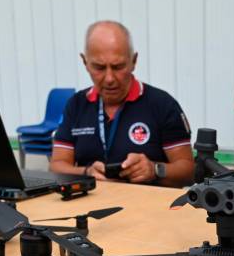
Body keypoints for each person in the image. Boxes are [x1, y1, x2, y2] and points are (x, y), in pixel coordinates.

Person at [50, 21, 194, 187]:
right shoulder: (76, 105)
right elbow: (56, 166)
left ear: (134, 61)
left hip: (149, 208)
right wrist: (86, 173)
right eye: (99, 67)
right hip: (91, 207)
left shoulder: (162, 104)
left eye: (118, 67)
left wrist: (154, 169)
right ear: (85, 63)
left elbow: (189, 172)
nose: (110, 78)